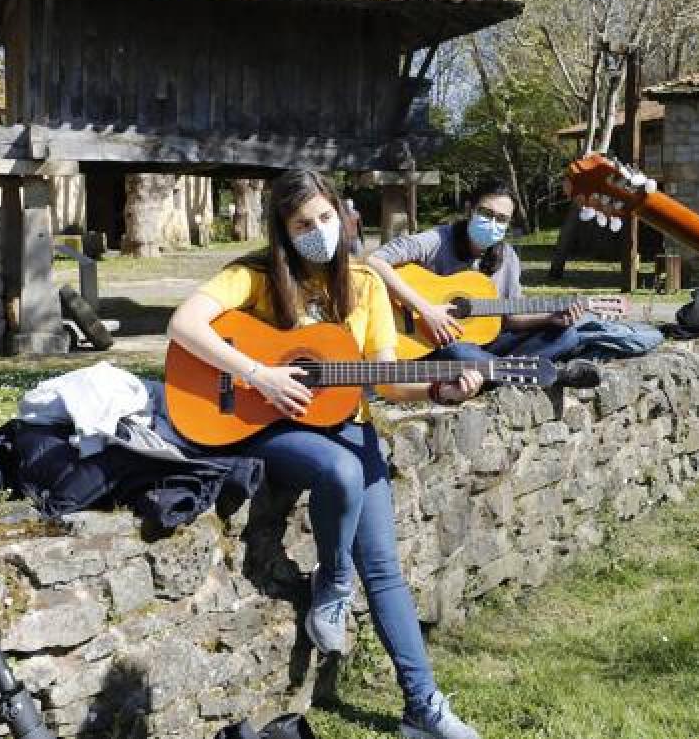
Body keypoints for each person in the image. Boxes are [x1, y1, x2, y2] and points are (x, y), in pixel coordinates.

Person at [168, 170, 483, 739]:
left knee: (385, 569)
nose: (318, 230)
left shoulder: (364, 282)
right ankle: (332, 582)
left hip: (350, 422)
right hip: (265, 423)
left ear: (342, 214)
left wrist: (439, 388)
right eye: (302, 224)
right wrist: (259, 373)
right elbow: (183, 324)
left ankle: (423, 707)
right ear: (284, 232)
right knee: (336, 469)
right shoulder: (256, 275)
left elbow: (384, 378)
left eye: (325, 217)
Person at [365, 178, 601, 388]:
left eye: (501, 219)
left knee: (567, 335)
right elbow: (374, 261)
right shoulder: (436, 240)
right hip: (436, 346)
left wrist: (549, 318)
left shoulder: (507, 256)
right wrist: (426, 310)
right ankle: (531, 373)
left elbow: (510, 318)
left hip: (485, 345)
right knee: (458, 352)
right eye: (486, 213)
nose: (492, 223)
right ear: (470, 209)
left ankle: (496, 374)